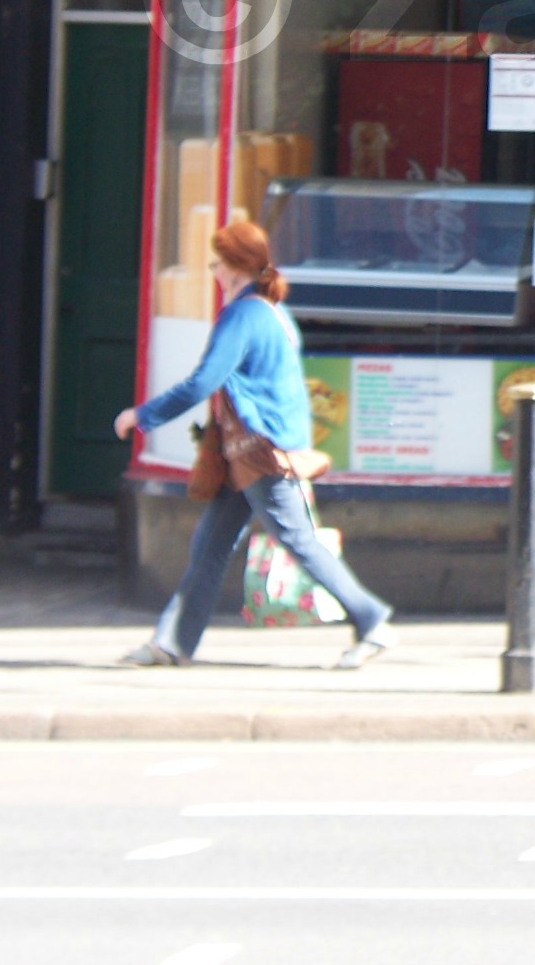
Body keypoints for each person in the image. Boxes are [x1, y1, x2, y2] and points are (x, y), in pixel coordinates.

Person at [115, 220, 394, 669]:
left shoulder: (242, 316)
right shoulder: (272, 312)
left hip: (260, 452)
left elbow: (203, 381)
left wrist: (142, 416)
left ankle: (371, 619)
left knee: (299, 541)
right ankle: (172, 643)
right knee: (209, 545)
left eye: (215, 264)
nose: (213, 272)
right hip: (251, 451)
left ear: (231, 268)